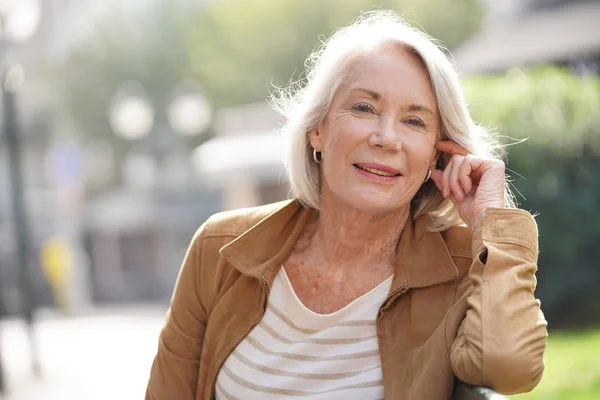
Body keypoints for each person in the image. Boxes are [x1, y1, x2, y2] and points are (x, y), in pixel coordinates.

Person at [146, 10, 547, 400]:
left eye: (414, 121)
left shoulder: (462, 266)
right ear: (316, 130)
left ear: (435, 156)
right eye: (364, 108)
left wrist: (492, 220)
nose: (386, 138)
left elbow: (507, 368)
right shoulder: (220, 248)